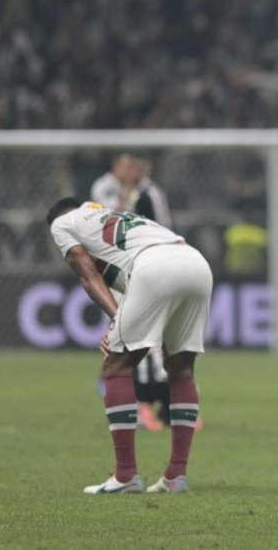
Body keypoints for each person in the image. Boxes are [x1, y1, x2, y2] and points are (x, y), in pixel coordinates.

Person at [46, 197, 212, 494]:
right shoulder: (115, 217)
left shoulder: (62, 223)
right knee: (181, 369)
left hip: (155, 266)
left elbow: (87, 273)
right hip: (195, 262)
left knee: (116, 365)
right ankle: (177, 476)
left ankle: (125, 477)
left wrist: (115, 319)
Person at [92, 154, 175, 431]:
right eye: (126, 166)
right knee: (123, 327)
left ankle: (140, 395)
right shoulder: (103, 187)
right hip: (114, 266)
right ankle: (127, 393)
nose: (131, 171)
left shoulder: (151, 192)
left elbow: (164, 224)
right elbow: (109, 222)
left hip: (143, 265)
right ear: (117, 166)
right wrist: (128, 192)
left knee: (138, 329)